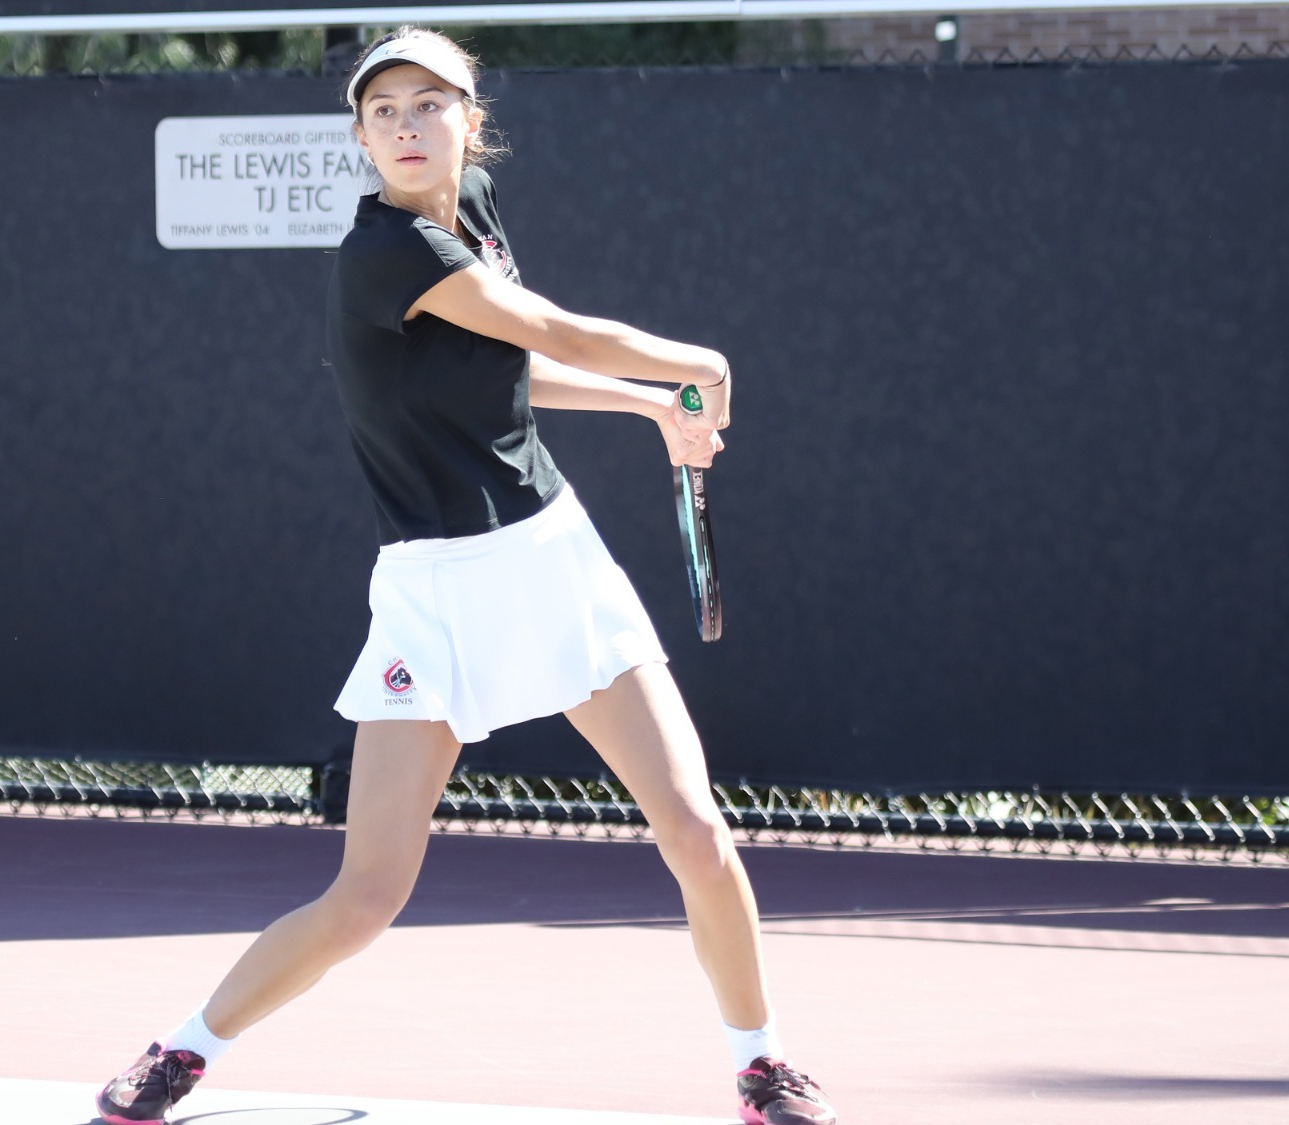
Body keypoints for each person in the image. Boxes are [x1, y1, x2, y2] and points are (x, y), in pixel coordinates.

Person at [97, 26, 837, 1125]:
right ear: (358, 135)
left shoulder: (471, 205)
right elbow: (547, 326)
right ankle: (180, 1051)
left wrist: (648, 411)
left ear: (467, 122)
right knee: (365, 898)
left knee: (691, 830)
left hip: (552, 564)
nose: (404, 125)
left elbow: (507, 368)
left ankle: (761, 1065)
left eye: (427, 105)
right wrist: (693, 366)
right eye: (382, 110)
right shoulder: (382, 253)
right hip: (430, 598)